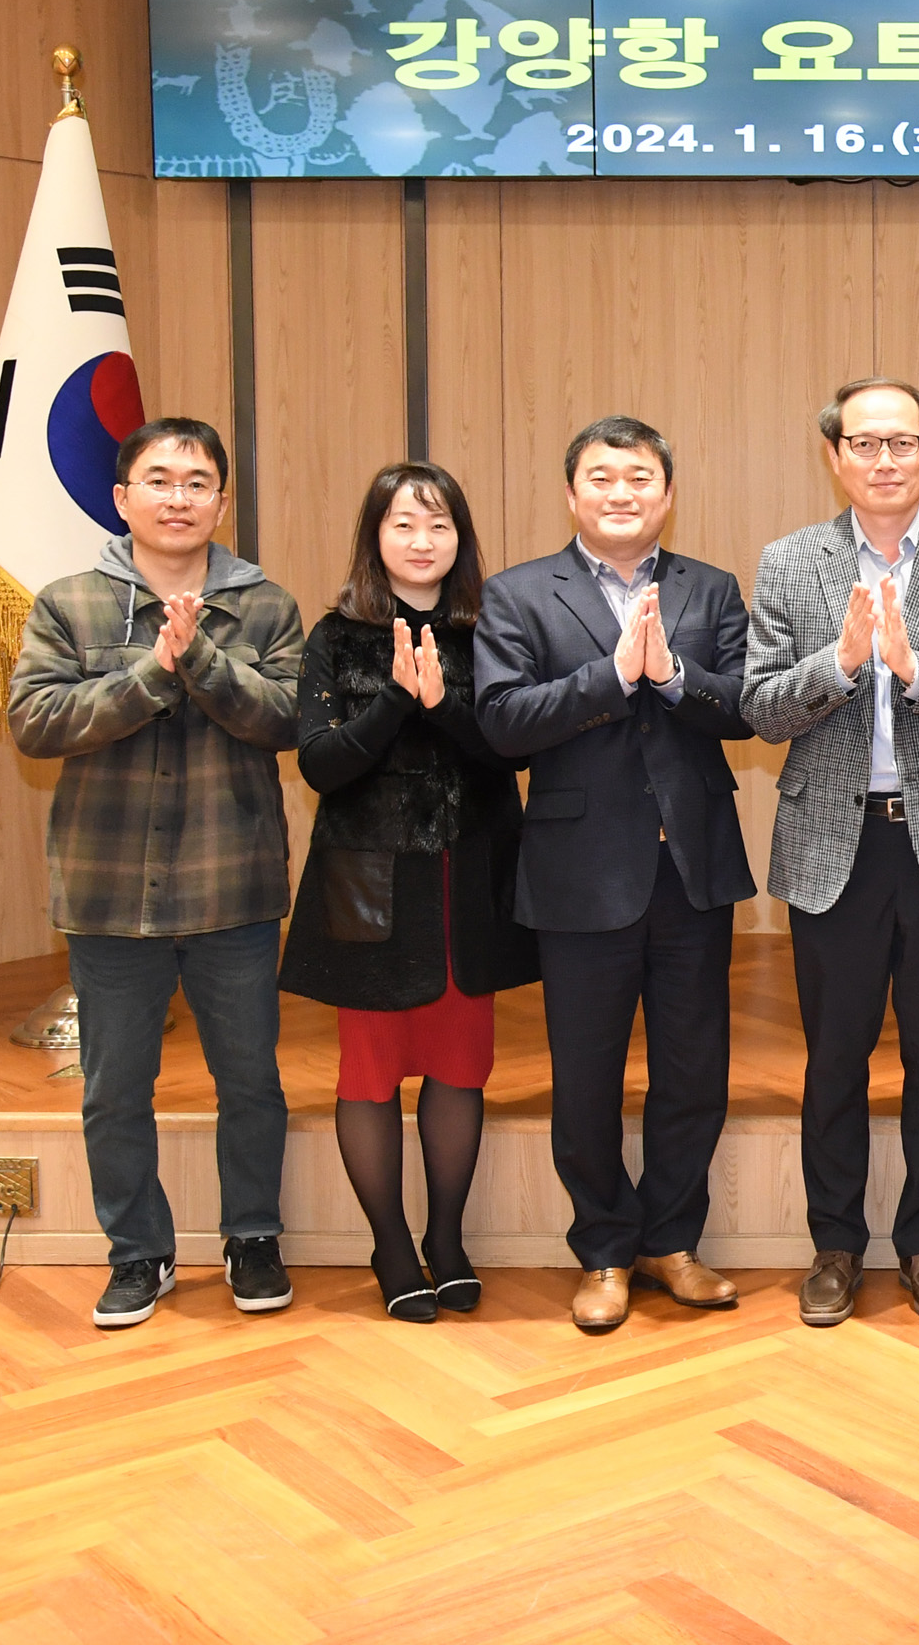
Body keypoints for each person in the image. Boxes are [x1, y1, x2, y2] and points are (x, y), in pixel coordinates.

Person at [8, 418, 303, 1330]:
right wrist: (151, 672)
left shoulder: (266, 607)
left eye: (198, 483)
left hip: (234, 887)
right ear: (122, 497)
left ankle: (252, 1236)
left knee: (250, 1080)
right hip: (108, 890)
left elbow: (287, 720)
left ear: (221, 501)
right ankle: (138, 1253)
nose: (179, 498)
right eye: (160, 480)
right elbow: (36, 724)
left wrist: (202, 661)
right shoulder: (68, 603)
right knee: (112, 1088)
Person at [743, 378, 919, 1329]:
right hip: (834, 839)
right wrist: (845, 663)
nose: (885, 460)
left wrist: (912, 669)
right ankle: (834, 1245)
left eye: (902, 442)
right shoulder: (789, 563)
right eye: (864, 444)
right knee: (835, 1056)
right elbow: (761, 707)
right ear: (835, 456)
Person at [474, 417, 756, 1335]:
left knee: (692, 1070)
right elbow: (504, 725)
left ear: (667, 493)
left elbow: (746, 708)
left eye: (640, 476)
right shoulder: (518, 594)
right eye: (602, 476)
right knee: (585, 1076)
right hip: (578, 873)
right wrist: (611, 677)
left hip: (691, 869)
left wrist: (675, 679)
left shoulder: (709, 589)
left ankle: (672, 1241)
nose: (622, 492)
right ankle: (601, 1246)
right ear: (572, 494)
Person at [280, 462, 536, 1323]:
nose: (422, 542)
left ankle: (449, 1238)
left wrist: (446, 707)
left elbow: (514, 752)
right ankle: (391, 1245)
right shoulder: (336, 635)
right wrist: (398, 699)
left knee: (463, 1068)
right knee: (373, 1075)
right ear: (374, 537)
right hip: (371, 885)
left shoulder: (492, 628)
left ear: (461, 540)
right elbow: (320, 763)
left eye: (439, 527)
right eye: (403, 526)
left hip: (470, 881)